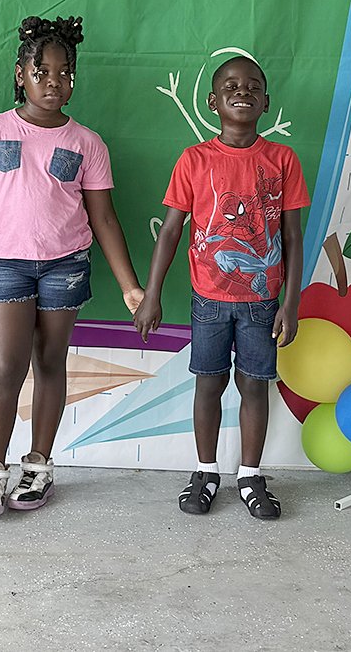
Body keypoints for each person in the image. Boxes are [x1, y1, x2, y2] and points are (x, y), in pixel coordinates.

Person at [0, 16, 145, 516]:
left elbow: (105, 219)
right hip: (6, 265)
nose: (55, 82)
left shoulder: (87, 143)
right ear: (19, 74)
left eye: (65, 72)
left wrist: (131, 287)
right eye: (43, 71)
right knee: (6, 367)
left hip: (65, 267)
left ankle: (39, 466)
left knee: (49, 363)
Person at [134, 56, 307, 519]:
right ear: (213, 102)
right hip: (209, 301)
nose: (243, 90)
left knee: (254, 386)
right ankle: (205, 470)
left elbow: (291, 237)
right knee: (208, 385)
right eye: (231, 84)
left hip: (261, 302)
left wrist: (290, 302)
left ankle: (250, 474)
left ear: (266, 102)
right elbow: (171, 230)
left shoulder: (282, 160)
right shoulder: (194, 160)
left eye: (253, 86)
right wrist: (151, 294)